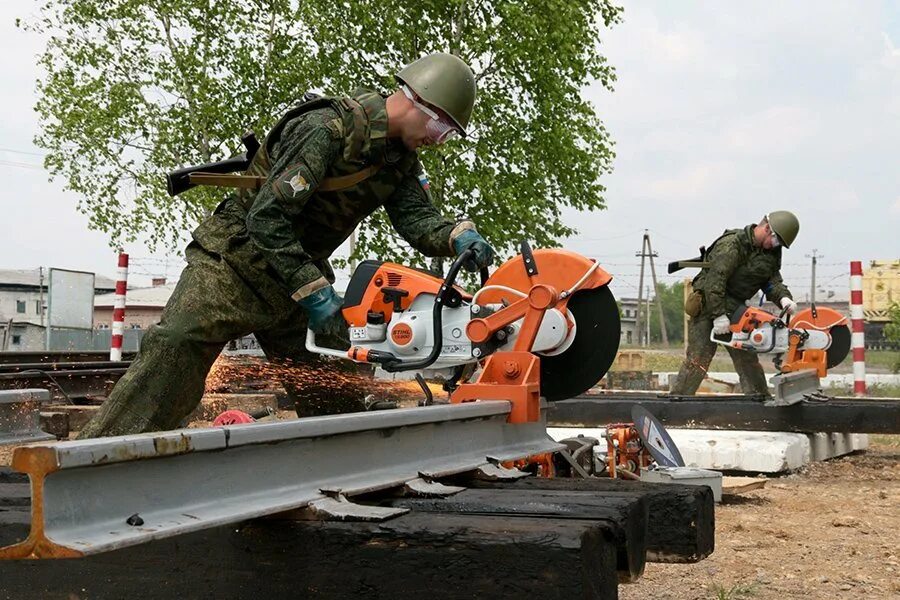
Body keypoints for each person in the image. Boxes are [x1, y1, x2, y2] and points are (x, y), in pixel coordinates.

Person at [79, 53, 495, 437]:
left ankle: (354, 467)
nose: (439, 141)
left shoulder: (399, 161)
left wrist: (458, 235)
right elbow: (266, 217)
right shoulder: (326, 130)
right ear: (416, 101)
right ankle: (93, 459)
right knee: (176, 348)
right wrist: (316, 295)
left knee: (335, 370)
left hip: (296, 273)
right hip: (235, 261)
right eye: (441, 129)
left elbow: (419, 222)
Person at [670, 211, 800, 396]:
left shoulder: (771, 252)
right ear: (766, 228)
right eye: (776, 240)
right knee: (698, 359)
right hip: (710, 305)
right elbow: (715, 281)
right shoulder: (732, 244)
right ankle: (677, 402)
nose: (776, 245)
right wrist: (718, 316)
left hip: (736, 309)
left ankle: (759, 401)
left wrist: (783, 298)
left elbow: (771, 281)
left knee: (747, 358)